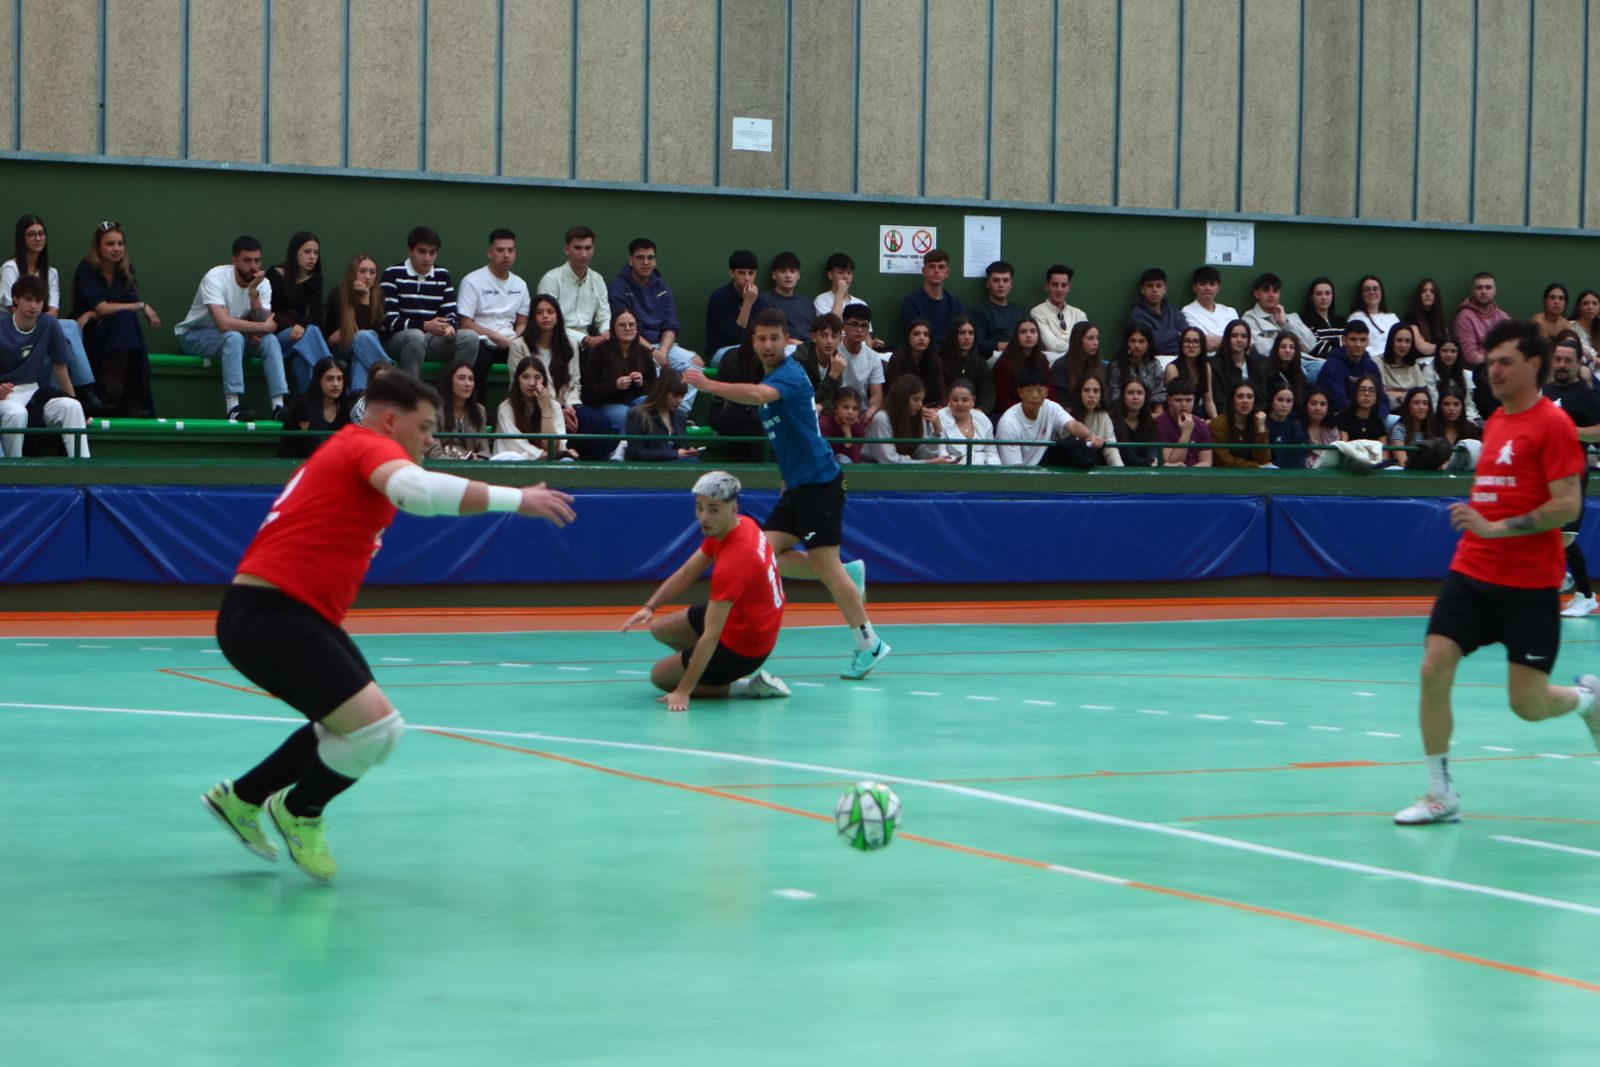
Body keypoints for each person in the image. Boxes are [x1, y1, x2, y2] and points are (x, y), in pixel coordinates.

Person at [200, 370, 576, 880]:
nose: (429, 440)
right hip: (272, 615)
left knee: (351, 725)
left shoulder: (349, 451)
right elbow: (418, 493)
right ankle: (299, 810)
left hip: (290, 614)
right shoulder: (365, 444)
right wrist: (516, 499)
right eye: (424, 428)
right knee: (376, 730)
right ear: (391, 422)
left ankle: (244, 798)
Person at [1394, 321, 1600, 826]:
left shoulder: (1554, 425)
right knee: (1433, 668)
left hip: (1529, 583)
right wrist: (1480, 524)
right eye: (1490, 364)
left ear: (1535, 364)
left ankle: (1587, 699)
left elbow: (1567, 505)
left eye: (1506, 362)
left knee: (1527, 705)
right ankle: (1440, 793)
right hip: (1472, 571)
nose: (1495, 371)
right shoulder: (1496, 421)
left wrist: (1495, 527)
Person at [684, 309, 889, 680]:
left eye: (774, 338)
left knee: (824, 567)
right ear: (753, 342)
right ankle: (846, 574)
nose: (767, 345)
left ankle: (868, 642)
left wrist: (709, 385)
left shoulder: (789, 375)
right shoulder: (772, 376)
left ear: (787, 341)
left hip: (821, 484)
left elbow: (758, 394)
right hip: (797, 486)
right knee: (763, 553)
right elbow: (787, 438)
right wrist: (786, 481)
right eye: (761, 338)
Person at [621, 470, 790, 711]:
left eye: (713, 509)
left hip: (747, 646)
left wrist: (683, 691)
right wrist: (650, 606)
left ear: (733, 508)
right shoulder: (738, 525)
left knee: (660, 678)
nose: (703, 517)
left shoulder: (734, 562)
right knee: (660, 628)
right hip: (743, 619)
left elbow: (711, 635)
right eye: (699, 508)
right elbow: (687, 573)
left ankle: (744, 687)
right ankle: (706, 669)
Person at [174, 235, 289, 421]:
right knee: (233, 337)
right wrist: (259, 327)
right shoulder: (215, 277)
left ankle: (278, 407)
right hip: (194, 336)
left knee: (270, 340)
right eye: (247, 260)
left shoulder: (263, 283)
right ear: (234, 260)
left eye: (257, 260)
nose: (253, 266)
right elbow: (224, 324)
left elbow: (263, 326)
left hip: (236, 336)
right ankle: (233, 407)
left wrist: (253, 293)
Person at [1, 214, 101, 414]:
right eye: (32, 234)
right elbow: (15, 309)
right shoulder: (10, 268)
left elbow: (53, 312)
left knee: (69, 327)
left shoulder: (51, 272)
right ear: (22, 238)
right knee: (68, 327)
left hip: (40, 327)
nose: (38, 238)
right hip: (12, 331)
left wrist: (43, 326)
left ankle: (83, 390)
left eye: (41, 234)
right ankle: (83, 389)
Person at [71, 221, 159, 417]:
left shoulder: (126, 271)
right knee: (127, 318)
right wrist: (141, 306)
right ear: (98, 247)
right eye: (110, 244)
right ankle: (119, 386)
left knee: (127, 320)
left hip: (116, 335)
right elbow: (103, 307)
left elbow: (111, 309)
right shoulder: (86, 269)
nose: (117, 248)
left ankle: (118, 382)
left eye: (120, 243)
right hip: (90, 335)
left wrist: (92, 313)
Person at [1542, 337, 1600, 618]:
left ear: (1578, 363)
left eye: (1568, 360)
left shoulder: (1586, 395)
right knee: (1542, 529)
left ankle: (1586, 596)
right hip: (1544, 472)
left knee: (1565, 535)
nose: (1562, 365)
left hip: (1571, 473)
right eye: (1558, 359)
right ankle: (1558, 574)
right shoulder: (1545, 390)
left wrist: (1570, 430)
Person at [0, 275, 89, 458]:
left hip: (34, 392)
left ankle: (83, 466)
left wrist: (77, 403)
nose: (33, 306)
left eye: (38, 300)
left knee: (72, 406)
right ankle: (15, 468)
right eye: (28, 299)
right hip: (5, 396)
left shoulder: (50, 324)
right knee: (17, 414)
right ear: (16, 299)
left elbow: (61, 369)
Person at [607, 236, 702, 405]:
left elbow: (671, 324)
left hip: (663, 346)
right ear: (631, 260)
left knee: (696, 364)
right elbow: (626, 329)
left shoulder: (661, 286)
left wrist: (663, 350)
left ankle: (679, 411)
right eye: (640, 258)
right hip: (636, 345)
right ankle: (658, 411)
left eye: (650, 258)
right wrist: (653, 351)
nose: (646, 262)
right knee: (654, 373)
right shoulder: (618, 288)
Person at [380, 226, 479, 377]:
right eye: (422, 252)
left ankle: (453, 389)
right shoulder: (392, 274)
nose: (427, 258)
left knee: (470, 338)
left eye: (432, 252)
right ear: (410, 251)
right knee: (415, 336)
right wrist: (425, 325)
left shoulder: (442, 275)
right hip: (397, 341)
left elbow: (451, 313)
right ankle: (410, 391)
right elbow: (389, 321)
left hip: (431, 340)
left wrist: (449, 328)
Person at [457, 228, 533, 396]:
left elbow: (522, 322)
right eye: (500, 250)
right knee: (479, 359)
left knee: (530, 359)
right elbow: (465, 323)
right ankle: (478, 409)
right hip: (481, 341)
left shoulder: (520, 284)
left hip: (510, 342)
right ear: (490, 253)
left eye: (510, 250)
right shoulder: (472, 281)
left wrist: (516, 338)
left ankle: (519, 408)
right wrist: (493, 335)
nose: (506, 255)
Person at [267, 231, 336, 392]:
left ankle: (311, 403)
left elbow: (316, 315)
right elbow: (269, 312)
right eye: (307, 252)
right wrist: (297, 326)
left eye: (316, 253)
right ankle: (330, 370)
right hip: (277, 338)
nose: (312, 257)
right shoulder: (275, 275)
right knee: (309, 332)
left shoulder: (315, 279)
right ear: (294, 252)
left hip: (300, 335)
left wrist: (301, 325)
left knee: (302, 362)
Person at [995, 366, 1101, 467]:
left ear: (1046, 392)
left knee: (1076, 446)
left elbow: (1072, 425)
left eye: (1039, 390)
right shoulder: (1008, 422)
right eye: (1029, 390)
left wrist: (1090, 435)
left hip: (1046, 467)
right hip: (1023, 473)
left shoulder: (1051, 407)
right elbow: (1014, 469)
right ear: (1020, 392)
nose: (1035, 395)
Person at [581, 307, 658, 443]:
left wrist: (641, 384)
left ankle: (658, 449)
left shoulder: (645, 353)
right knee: (627, 415)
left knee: (651, 408)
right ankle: (623, 451)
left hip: (636, 402)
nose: (627, 328)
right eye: (622, 325)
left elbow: (655, 389)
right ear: (613, 328)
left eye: (631, 325)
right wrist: (614, 385)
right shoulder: (601, 352)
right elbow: (588, 390)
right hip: (607, 404)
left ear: (637, 328)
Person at [322, 252, 392, 394]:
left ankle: (359, 397)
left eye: (372, 272)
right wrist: (364, 299)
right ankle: (391, 376)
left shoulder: (379, 295)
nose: (367, 277)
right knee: (362, 336)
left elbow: (374, 334)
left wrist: (366, 297)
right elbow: (354, 332)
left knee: (360, 354)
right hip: (340, 348)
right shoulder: (338, 293)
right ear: (353, 273)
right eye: (362, 271)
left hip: (362, 348)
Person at [536, 225, 612, 353]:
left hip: (589, 344)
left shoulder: (597, 280)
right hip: (557, 342)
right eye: (578, 248)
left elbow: (604, 316)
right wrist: (585, 339)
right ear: (567, 249)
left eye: (588, 248)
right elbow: (548, 323)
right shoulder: (551, 280)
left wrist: (605, 333)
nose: (584, 254)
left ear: (593, 249)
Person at [494, 354, 574, 461]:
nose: (531, 383)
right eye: (525, 377)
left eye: (537, 377)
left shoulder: (554, 406)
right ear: (518, 380)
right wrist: (545, 455)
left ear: (544, 381)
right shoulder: (506, 407)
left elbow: (553, 445)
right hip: (519, 461)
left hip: (549, 460)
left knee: (567, 461)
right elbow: (516, 445)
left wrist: (545, 409)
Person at [862, 373, 956, 465]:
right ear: (901, 398)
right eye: (915, 399)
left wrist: (937, 432)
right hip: (871, 469)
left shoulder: (919, 419)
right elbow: (889, 460)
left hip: (905, 471)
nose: (919, 404)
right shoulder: (881, 419)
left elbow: (925, 456)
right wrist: (928, 462)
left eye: (921, 400)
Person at [277, 357, 349, 460]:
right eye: (329, 379)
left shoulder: (342, 407)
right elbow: (309, 447)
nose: (336, 384)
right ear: (318, 381)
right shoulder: (303, 407)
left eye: (339, 379)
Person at [1242, 272, 1318, 365]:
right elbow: (1263, 350)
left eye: (1275, 291)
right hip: (1276, 365)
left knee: (1328, 365)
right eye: (1266, 290)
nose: (1271, 295)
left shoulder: (1290, 317)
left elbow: (1310, 345)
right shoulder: (1250, 319)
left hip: (1306, 362)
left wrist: (1286, 323)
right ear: (1257, 294)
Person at [1319, 320, 1390, 418]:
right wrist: (1364, 416)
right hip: (1339, 417)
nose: (1358, 344)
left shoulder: (1372, 366)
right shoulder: (1332, 366)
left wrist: (1379, 417)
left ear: (1367, 342)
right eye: (1353, 339)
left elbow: (1382, 399)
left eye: (1362, 340)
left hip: (1369, 417)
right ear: (1344, 340)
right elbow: (1339, 402)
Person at [625, 368, 698, 462]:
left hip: (675, 464)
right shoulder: (638, 415)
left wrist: (688, 450)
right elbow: (636, 452)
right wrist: (674, 454)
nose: (680, 401)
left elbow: (682, 445)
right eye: (675, 396)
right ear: (662, 392)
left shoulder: (680, 415)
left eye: (682, 396)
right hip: (650, 466)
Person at [428, 361, 490, 460]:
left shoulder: (479, 410)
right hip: (443, 466)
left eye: (471, 379)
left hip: (473, 466)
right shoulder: (434, 409)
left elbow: (484, 450)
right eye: (461, 378)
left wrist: (478, 459)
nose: (468, 384)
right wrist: (461, 463)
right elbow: (433, 453)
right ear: (449, 381)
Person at [990, 317, 1051, 417]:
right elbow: (1002, 399)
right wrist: (1026, 413)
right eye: (1023, 332)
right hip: (1012, 414)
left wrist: (1049, 412)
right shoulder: (1005, 363)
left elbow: (1050, 390)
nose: (1029, 335)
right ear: (1016, 336)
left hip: (1039, 411)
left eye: (1033, 331)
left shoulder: (1042, 359)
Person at [901, 249, 963, 344]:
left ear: (947, 272)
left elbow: (961, 334)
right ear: (924, 271)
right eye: (932, 267)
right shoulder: (912, 303)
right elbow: (917, 338)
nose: (936, 271)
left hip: (951, 352)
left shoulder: (955, 303)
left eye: (941, 267)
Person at [705, 249, 761, 356]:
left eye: (751, 273)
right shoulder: (719, 298)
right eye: (741, 273)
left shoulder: (759, 299)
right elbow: (737, 337)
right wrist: (747, 304)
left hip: (752, 349)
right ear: (732, 273)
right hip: (723, 351)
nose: (747, 278)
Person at [936, 315, 995, 416]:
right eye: (962, 333)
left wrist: (980, 410)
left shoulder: (979, 362)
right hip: (948, 413)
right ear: (953, 335)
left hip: (975, 413)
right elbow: (941, 395)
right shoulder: (941, 362)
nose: (967, 337)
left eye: (971, 333)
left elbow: (988, 395)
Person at [969, 260, 1030, 356]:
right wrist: (1002, 346)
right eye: (996, 280)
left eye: (1005, 280)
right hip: (994, 357)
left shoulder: (1021, 313)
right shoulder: (978, 312)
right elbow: (975, 343)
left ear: (1011, 284)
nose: (1001, 285)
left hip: (1021, 356)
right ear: (988, 283)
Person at [837, 302, 885, 422]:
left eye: (864, 326)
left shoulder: (873, 357)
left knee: (879, 418)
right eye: (854, 324)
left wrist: (870, 412)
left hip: (861, 410)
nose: (859, 330)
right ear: (844, 326)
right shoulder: (833, 350)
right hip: (836, 409)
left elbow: (877, 395)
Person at [884, 318, 946, 410]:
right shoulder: (897, 359)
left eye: (926, 334)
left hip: (929, 409)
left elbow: (941, 395)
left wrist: (939, 410)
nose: (922, 338)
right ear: (908, 337)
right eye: (916, 334)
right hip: (901, 409)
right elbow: (895, 394)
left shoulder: (935, 361)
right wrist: (920, 409)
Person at [752, 251, 814, 343]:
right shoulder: (764, 300)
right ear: (774, 275)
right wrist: (790, 342)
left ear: (798, 275)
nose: (788, 275)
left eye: (792, 271)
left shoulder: (807, 303)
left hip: (809, 348)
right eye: (782, 271)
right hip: (781, 347)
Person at [1105, 326, 1166, 417]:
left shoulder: (1155, 366)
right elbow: (1115, 397)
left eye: (1141, 341)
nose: (1137, 345)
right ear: (1127, 343)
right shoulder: (1117, 366)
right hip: (1123, 414)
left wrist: (1158, 415)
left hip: (1149, 414)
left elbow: (1159, 395)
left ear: (1148, 344)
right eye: (1133, 341)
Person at [1452, 271, 1511, 365]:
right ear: (1473, 291)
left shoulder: (1503, 317)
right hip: (1476, 369)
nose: (1484, 292)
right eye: (1479, 288)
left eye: (1488, 287)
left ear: (1495, 291)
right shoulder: (1464, 317)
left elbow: (1514, 346)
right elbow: (1469, 356)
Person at [936, 377, 999, 465]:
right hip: (952, 470)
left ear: (973, 400)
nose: (959, 404)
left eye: (965, 400)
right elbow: (941, 455)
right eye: (955, 400)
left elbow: (992, 454)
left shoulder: (982, 419)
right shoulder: (940, 417)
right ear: (949, 400)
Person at [790, 312, 846, 410]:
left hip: (821, 411)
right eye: (824, 335)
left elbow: (836, 397)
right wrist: (832, 376)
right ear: (814, 337)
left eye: (834, 336)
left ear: (840, 339)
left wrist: (822, 406)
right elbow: (807, 398)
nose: (829, 341)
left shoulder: (836, 360)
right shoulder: (800, 358)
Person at [1208, 381, 1270, 468]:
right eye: (1240, 396)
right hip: (1223, 473)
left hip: (1253, 473)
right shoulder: (1218, 424)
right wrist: (1255, 466)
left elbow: (1263, 460)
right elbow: (1223, 461)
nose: (1245, 401)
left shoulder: (1258, 421)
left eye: (1250, 397)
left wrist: (1261, 429)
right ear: (1232, 400)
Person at [1128, 267, 1188, 356]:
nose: (1154, 290)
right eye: (1149, 286)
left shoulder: (1174, 312)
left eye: (1159, 286)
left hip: (1180, 357)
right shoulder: (1136, 315)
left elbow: (1187, 336)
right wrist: (1176, 334)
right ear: (1142, 290)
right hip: (1152, 359)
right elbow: (1151, 341)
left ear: (1165, 289)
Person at [1153, 379, 1213, 467]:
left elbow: (1207, 462)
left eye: (1188, 400)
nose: (1184, 404)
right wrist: (1186, 432)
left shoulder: (1200, 425)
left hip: (1195, 472)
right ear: (1169, 400)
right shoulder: (1160, 424)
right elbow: (1173, 462)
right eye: (1178, 400)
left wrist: (1190, 472)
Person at [1065, 372, 1121, 467]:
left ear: (1101, 395)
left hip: (1094, 467)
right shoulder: (1067, 416)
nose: (1091, 395)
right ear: (1079, 393)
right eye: (1086, 390)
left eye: (1096, 391)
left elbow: (1111, 450)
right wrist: (1092, 442)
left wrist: (1120, 471)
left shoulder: (1103, 416)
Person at [1031, 264, 1087, 356]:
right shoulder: (1037, 313)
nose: (1059, 289)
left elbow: (1086, 343)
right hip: (1052, 363)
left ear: (1069, 287)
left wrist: (1060, 339)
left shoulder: (1079, 314)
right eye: (1055, 285)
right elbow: (1053, 346)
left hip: (1079, 362)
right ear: (1047, 286)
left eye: (1064, 285)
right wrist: (1075, 343)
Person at [1181, 266, 1239, 354]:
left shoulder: (1230, 312)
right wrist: (1232, 339)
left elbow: (1243, 340)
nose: (1207, 288)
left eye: (1212, 284)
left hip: (1233, 359)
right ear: (1194, 288)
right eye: (1202, 284)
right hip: (1207, 360)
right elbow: (1205, 344)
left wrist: (1218, 340)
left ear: (1218, 288)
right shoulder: (1187, 312)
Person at [1208, 319, 1260, 416]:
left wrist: (1257, 415)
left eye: (1244, 336)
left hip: (1254, 417)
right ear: (1227, 338)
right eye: (1234, 336)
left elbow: (1262, 398)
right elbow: (1219, 400)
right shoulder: (1215, 366)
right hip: (1227, 416)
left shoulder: (1256, 363)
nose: (1239, 340)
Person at [1164, 326, 1217, 420]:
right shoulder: (1172, 368)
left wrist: (1215, 421)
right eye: (1187, 341)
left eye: (1196, 341)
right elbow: (1174, 403)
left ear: (1202, 345)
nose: (1191, 345)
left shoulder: (1206, 367)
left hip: (1198, 413)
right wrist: (1199, 422)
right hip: (1177, 415)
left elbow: (1208, 400)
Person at [1424, 335, 1479, 423]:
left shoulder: (1463, 375)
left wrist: (1469, 419)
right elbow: (1433, 403)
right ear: (1438, 352)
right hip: (1439, 420)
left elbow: (1469, 404)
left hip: (1464, 419)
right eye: (1444, 351)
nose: (1449, 355)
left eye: (1453, 351)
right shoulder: (1429, 372)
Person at [1050, 321, 1103, 405]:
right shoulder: (1060, 366)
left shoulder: (1101, 366)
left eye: (1097, 338)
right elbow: (1061, 401)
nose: (1096, 342)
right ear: (1078, 340)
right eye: (1090, 338)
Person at [1110, 379, 1159, 468]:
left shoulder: (1149, 421)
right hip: (1119, 472)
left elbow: (1152, 449)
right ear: (1123, 396)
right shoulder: (1111, 421)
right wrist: (1149, 463)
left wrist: (1153, 460)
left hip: (1146, 473)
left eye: (1140, 393)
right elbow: (1127, 457)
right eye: (1130, 393)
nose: (1135, 397)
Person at [1349, 274, 1400, 355]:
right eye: (1367, 289)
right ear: (1361, 294)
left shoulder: (1392, 317)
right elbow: (1358, 344)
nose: (1372, 292)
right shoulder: (1356, 317)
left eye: (1375, 289)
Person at [1254, 332, 1309, 407]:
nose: (1287, 350)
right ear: (1276, 349)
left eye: (1292, 347)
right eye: (1283, 347)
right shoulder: (1265, 372)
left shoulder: (1300, 375)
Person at [1377, 324, 1427, 408]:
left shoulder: (1413, 365)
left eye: (1407, 341)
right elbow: (1380, 392)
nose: (1403, 345)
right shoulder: (1378, 361)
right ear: (1391, 341)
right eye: (1399, 340)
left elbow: (1422, 393)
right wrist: (1409, 395)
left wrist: (1393, 393)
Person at [1296, 276, 1346, 357]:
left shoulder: (1342, 321)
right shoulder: (1305, 321)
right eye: (1319, 294)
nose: (1324, 297)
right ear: (1312, 297)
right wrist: (1339, 345)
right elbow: (1316, 348)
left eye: (1327, 293)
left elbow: (1350, 345)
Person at [1264, 384, 1310, 469]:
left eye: (1289, 401)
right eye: (1280, 400)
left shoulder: (1296, 427)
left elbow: (1299, 459)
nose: (1284, 405)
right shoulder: (1263, 424)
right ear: (1272, 401)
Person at [1386, 387, 1434, 468]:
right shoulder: (1399, 429)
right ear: (1408, 405)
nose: (1421, 407)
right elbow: (1403, 462)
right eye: (1416, 403)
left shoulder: (1433, 429)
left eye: (1425, 403)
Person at [818, 386, 865, 464]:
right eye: (846, 407)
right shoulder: (823, 425)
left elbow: (855, 460)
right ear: (835, 409)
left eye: (855, 408)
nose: (850, 412)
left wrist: (848, 436)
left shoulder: (858, 428)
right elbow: (823, 457)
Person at [1404, 277, 1448, 357]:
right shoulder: (1411, 318)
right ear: (1418, 295)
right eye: (1424, 291)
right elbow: (1422, 347)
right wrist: (1444, 347)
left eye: (1432, 292)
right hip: (1420, 361)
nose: (1428, 294)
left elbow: (1450, 341)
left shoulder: (1439, 318)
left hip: (1440, 360)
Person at [1335, 376, 1387, 443]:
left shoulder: (1378, 422)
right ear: (1355, 393)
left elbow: (1383, 448)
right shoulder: (1343, 417)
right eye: (1362, 390)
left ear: (1377, 396)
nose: (1367, 394)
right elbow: (1344, 446)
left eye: (1371, 391)